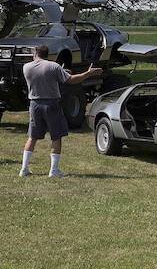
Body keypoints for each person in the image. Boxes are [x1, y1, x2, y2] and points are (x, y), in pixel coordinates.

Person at [19, 45, 102, 177]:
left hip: (34, 104)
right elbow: (71, 80)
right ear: (47, 54)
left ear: (35, 54)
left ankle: (24, 169)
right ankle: (54, 170)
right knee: (56, 136)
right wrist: (88, 73)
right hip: (51, 104)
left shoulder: (26, 67)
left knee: (32, 137)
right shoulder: (54, 66)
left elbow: (42, 75)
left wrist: (60, 72)